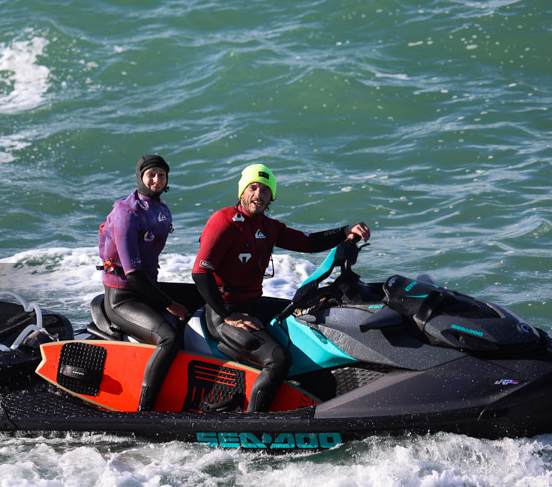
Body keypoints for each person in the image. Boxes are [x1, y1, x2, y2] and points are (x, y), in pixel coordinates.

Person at [191, 163, 370, 413]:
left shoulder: (268, 227)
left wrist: (345, 231)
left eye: (265, 190)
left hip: (254, 305)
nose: (258, 194)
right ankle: (253, 424)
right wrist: (227, 315)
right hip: (223, 314)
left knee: (309, 316)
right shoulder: (223, 222)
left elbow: (308, 242)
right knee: (278, 358)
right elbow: (200, 272)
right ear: (242, 191)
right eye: (253, 188)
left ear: (271, 196)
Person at [99, 154, 189, 411]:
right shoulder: (125, 213)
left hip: (147, 290)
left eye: (161, 175)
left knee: (199, 304)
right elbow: (134, 275)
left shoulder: (161, 209)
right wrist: (171, 305)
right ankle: (145, 409)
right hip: (123, 297)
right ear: (140, 176)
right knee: (168, 337)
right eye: (151, 175)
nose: (156, 180)